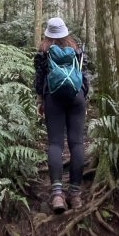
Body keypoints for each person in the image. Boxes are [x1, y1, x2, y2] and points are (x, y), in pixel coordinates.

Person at [34, 17, 89, 213]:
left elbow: (39, 79)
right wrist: (83, 97)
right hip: (77, 97)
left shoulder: (43, 52)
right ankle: (75, 195)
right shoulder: (76, 50)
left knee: (56, 144)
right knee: (77, 143)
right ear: (65, 32)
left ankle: (57, 195)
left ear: (48, 33)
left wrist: (40, 101)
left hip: (53, 98)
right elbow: (84, 76)